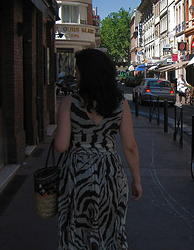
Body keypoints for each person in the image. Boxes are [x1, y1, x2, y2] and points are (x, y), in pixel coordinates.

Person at [54, 48, 142, 250]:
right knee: (110, 231)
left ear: (87, 73)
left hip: (76, 176)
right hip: (110, 175)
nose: (75, 74)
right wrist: (136, 180)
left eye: (77, 70)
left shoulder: (69, 102)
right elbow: (129, 147)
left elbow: (61, 146)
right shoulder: (120, 104)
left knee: (75, 232)